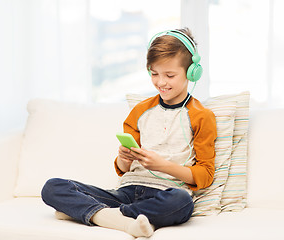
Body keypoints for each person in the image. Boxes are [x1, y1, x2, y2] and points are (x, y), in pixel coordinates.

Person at [41, 28, 217, 238]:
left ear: (191, 72)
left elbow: (205, 176)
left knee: (182, 203)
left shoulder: (201, 116)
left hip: (166, 193)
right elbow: (123, 169)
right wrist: (124, 158)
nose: (161, 82)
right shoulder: (141, 110)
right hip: (126, 192)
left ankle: (94, 214)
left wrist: (162, 165)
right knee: (52, 187)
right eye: (154, 74)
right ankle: (120, 218)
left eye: (170, 75)